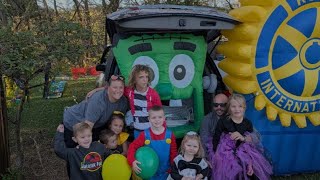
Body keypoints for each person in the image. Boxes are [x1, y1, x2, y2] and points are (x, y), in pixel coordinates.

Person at [212, 94, 272, 180]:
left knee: (250, 171)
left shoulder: (247, 123)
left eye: (240, 106)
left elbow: (252, 142)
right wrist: (216, 154)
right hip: (226, 153)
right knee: (231, 172)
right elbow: (216, 137)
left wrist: (243, 139)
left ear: (244, 108)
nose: (237, 109)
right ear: (229, 108)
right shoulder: (223, 121)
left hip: (244, 151)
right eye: (233, 106)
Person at [63, 75, 128, 148]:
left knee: (97, 148)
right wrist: (84, 146)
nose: (118, 90)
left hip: (96, 124)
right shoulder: (98, 101)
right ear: (108, 88)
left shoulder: (123, 102)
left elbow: (119, 121)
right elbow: (87, 126)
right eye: (115, 87)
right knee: (77, 152)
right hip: (74, 121)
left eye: (121, 87)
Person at [127, 105, 177, 180]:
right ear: (149, 119)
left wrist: (173, 168)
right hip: (149, 173)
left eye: (160, 117)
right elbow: (132, 146)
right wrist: (132, 161)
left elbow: (173, 153)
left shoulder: (169, 135)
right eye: (154, 117)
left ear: (164, 118)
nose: (157, 120)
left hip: (166, 172)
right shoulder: (144, 135)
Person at [125, 64, 162, 138]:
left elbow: (159, 113)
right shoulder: (129, 91)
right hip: (137, 130)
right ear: (134, 80)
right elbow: (116, 89)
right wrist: (96, 90)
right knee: (139, 149)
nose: (145, 80)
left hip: (151, 130)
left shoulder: (153, 94)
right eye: (141, 77)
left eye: (147, 77)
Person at [200, 93, 228, 157]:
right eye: (216, 105)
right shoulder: (207, 119)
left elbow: (254, 136)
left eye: (222, 105)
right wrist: (207, 159)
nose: (219, 108)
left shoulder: (234, 116)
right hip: (215, 154)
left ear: (228, 105)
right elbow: (204, 142)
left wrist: (246, 138)